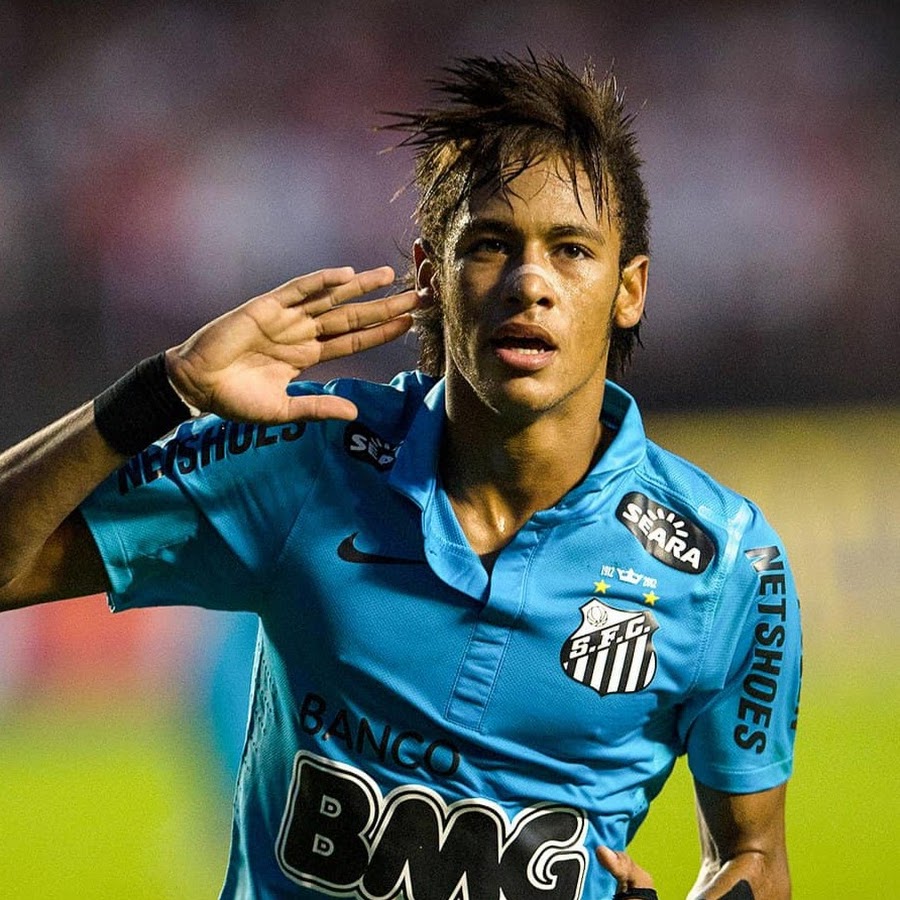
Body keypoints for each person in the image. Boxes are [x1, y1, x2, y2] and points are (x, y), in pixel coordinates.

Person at [0, 54, 801, 899]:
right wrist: (163, 391)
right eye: (489, 245)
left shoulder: (727, 566)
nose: (530, 283)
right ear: (429, 275)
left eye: (571, 250)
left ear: (629, 289)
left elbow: (752, 857)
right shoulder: (309, 458)